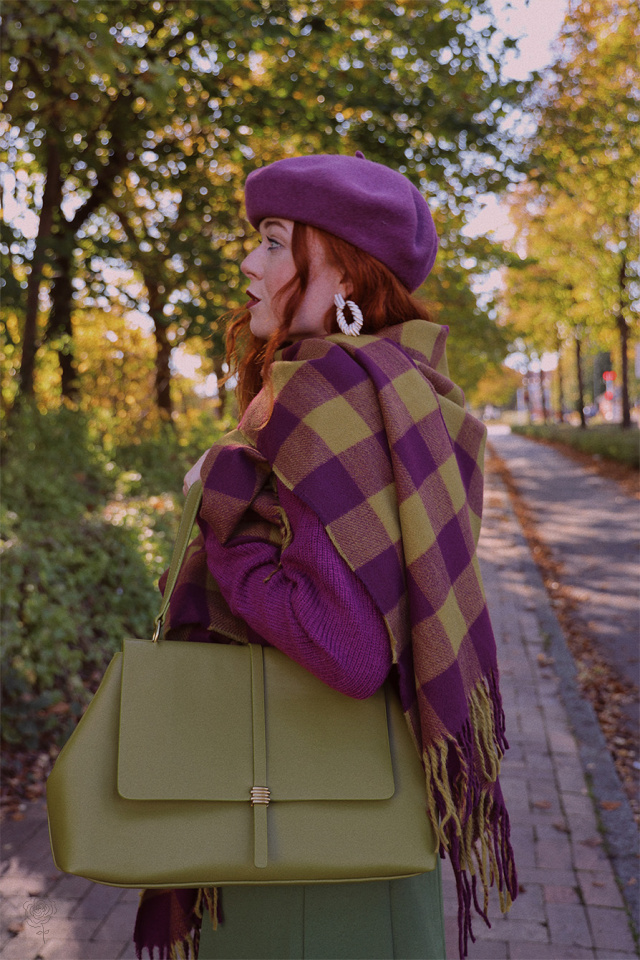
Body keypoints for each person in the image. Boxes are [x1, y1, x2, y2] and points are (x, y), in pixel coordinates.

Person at [133, 153, 517, 960]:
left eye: (275, 241)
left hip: (299, 845)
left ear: (341, 271)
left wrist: (221, 524)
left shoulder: (328, 392)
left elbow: (346, 648)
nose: (249, 261)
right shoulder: (409, 389)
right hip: (368, 811)